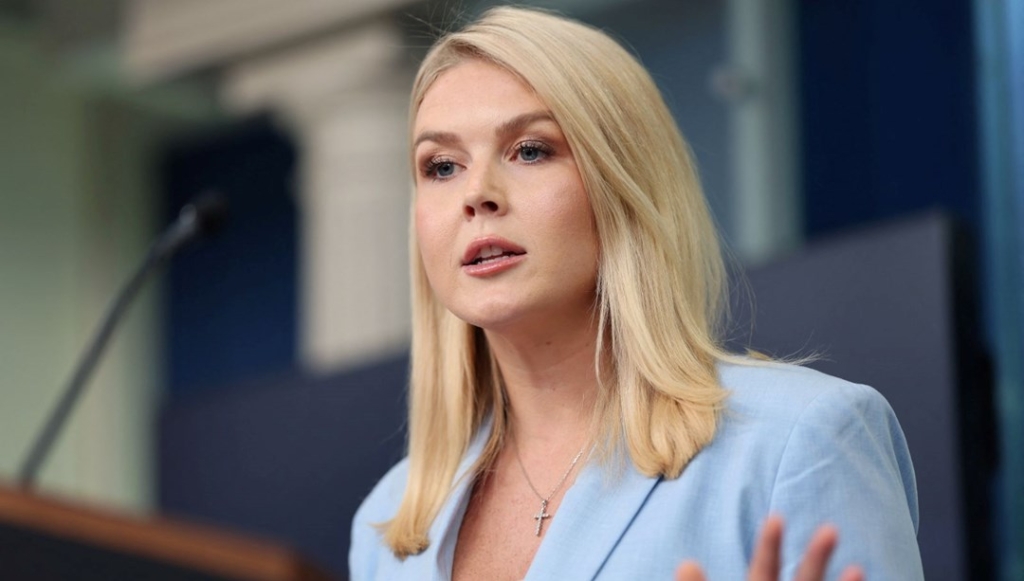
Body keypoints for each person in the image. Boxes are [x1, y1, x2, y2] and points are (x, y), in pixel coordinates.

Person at [349, 6, 923, 580]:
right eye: (441, 166)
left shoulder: (802, 438)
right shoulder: (386, 530)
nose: (476, 193)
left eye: (530, 150)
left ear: (623, 183)